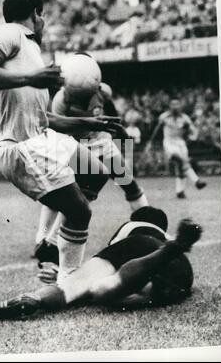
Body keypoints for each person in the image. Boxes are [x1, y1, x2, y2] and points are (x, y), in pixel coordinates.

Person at [0, 0, 120, 284]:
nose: (44, 22)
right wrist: (32, 78)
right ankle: (66, 278)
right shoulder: (10, 32)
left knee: (96, 173)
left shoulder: (31, 50)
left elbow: (44, 119)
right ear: (36, 14)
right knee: (79, 210)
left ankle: (49, 245)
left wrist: (89, 121)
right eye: (43, 16)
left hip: (42, 136)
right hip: (21, 147)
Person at [0, 206, 202, 321]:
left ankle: (35, 298)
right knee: (110, 292)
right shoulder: (163, 233)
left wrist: (72, 281)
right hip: (181, 272)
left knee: (82, 285)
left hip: (140, 249)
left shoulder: (131, 227)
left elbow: (105, 263)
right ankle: (169, 251)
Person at [34, 74, 148, 263]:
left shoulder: (102, 92)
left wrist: (124, 142)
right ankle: (45, 239)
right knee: (72, 197)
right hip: (81, 148)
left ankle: (149, 226)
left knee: (129, 184)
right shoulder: (61, 100)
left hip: (104, 145)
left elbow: (114, 120)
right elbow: (59, 130)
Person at [145, 99, 207, 198]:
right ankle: (196, 181)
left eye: (177, 104)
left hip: (181, 143)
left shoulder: (185, 118)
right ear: (169, 106)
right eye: (173, 104)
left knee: (181, 167)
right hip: (169, 142)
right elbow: (156, 130)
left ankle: (180, 191)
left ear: (180, 106)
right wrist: (150, 141)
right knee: (180, 159)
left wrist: (191, 136)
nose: (175, 106)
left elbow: (193, 132)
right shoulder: (164, 117)